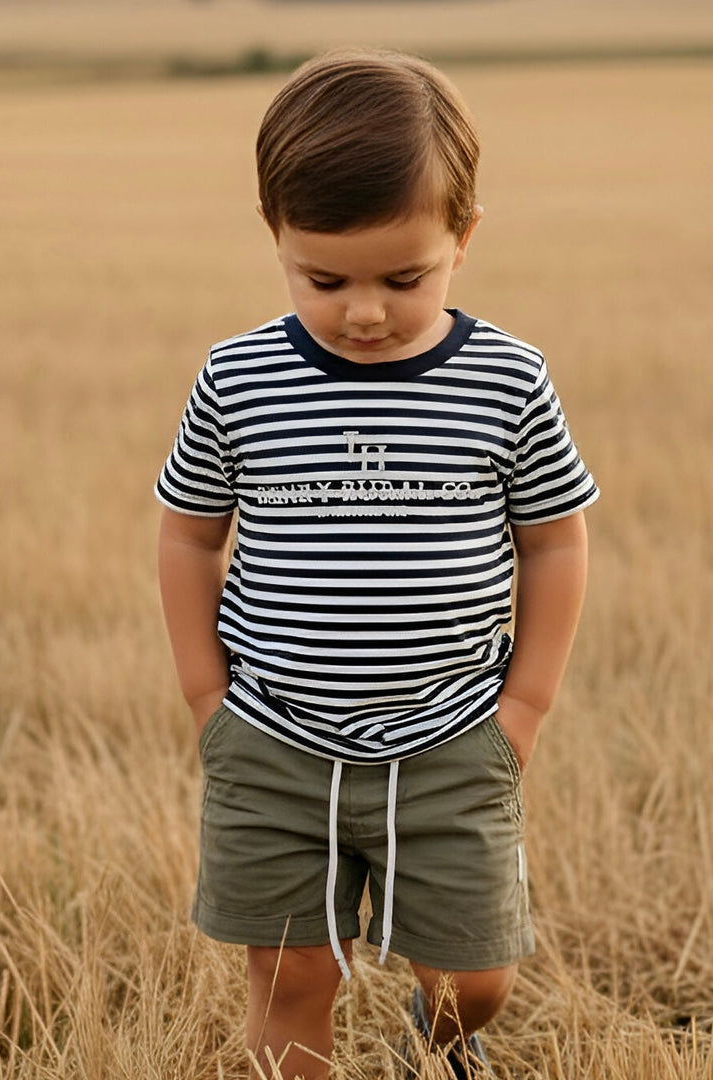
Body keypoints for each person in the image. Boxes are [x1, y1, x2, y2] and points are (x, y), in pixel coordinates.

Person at [155, 48, 598, 1080]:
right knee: (292, 978)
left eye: (404, 279)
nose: (363, 311)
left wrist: (523, 707)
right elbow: (187, 531)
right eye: (324, 278)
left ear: (463, 238)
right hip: (269, 739)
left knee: (471, 982)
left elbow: (555, 539)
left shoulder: (506, 379)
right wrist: (204, 694)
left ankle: (430, 1041)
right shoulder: (240, 376)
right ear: (277, 240)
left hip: (450, 740)